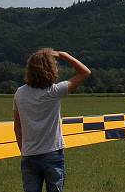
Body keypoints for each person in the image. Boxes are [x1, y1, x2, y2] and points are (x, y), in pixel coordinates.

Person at [13, 49, 91, 192]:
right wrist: (63, 55)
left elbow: (17, 127)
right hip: (52, 152)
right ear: (50, 69)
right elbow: (85, 72)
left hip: (29, 154)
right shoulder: (55, 91)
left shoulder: (20, 93)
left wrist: (23, 151)